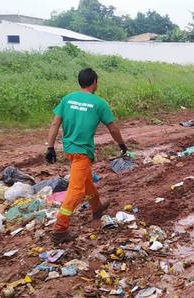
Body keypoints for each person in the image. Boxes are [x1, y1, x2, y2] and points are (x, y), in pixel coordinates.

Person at [45, 68, 127, 244]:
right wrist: (121, 144)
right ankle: (60, 229)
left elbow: (54, 123)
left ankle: (96, 207)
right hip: (82, 153)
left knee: (86, 180)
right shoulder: (99, 103)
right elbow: (112, 128)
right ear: (95, 82)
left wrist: (50, 147)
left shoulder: (67, 99)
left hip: (71, 150)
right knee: (76, 190)